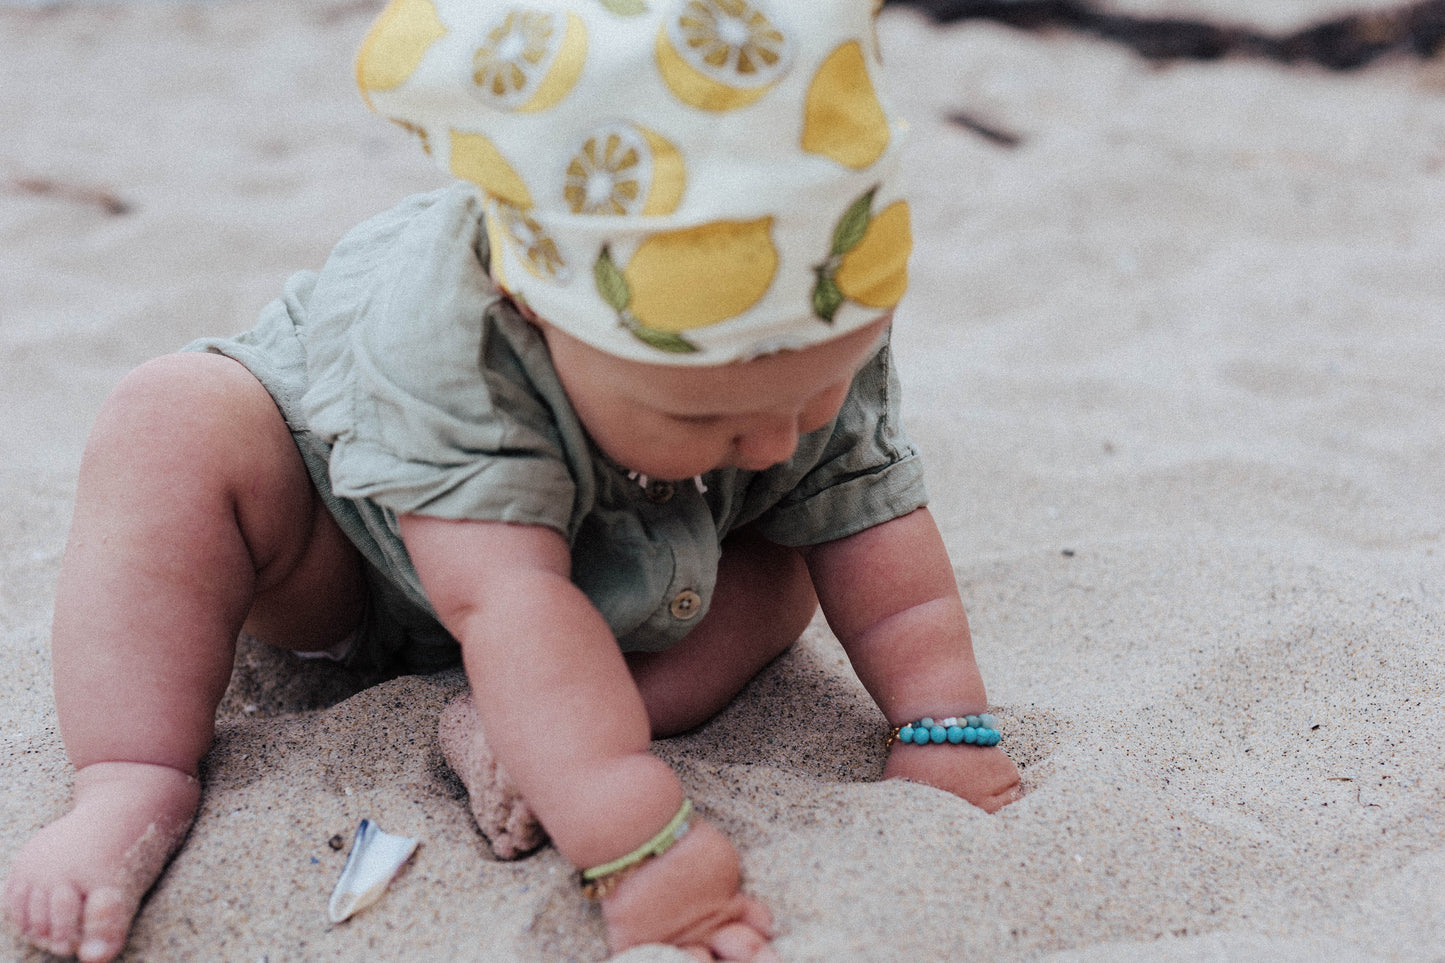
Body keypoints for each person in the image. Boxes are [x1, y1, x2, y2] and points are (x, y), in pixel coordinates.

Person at [3, 0, 1022, 960]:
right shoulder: (451, 340)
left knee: (798, 554)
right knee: (171, 419)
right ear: (536, 310)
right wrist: (644, 850)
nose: (768, 440)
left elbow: (875, 525)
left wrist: (941, 730)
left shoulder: (800, 333)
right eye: (703, 414)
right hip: (361, 558)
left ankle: (536, 717)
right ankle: (129, 779)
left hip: (645, 581)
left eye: (810, 397)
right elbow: (506, 602)